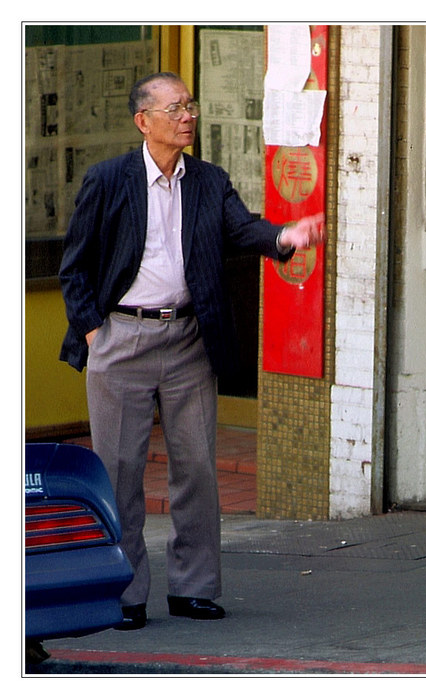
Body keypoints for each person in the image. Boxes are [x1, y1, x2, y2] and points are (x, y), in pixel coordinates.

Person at [59, 72, 326, 630]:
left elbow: (242, 229)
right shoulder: (107, 179)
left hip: (187, 340)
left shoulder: (208, 180)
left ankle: (194, 588)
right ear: (144, 121)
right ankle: (124, 594)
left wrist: (284, 237)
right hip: (121, 339)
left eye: (192, 105)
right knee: (120, 472)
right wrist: (94, 334)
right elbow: (75, 267)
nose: (189, 116)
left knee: (197, 470)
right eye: (176, 107)